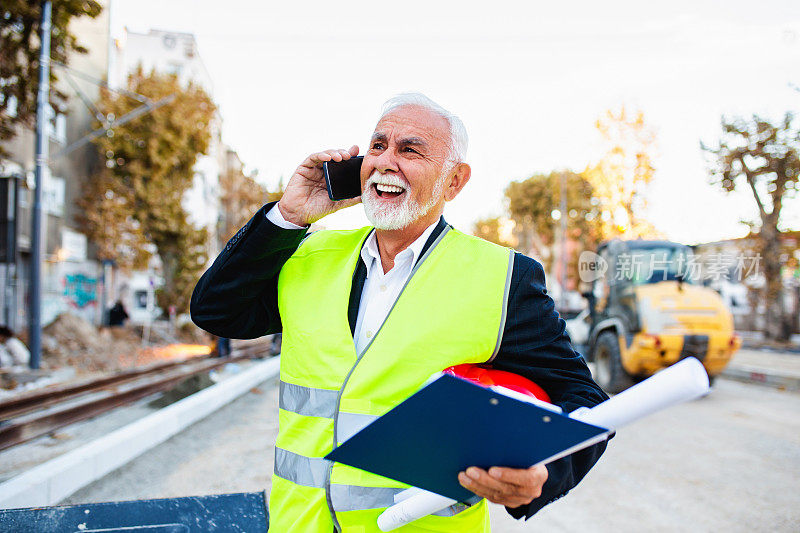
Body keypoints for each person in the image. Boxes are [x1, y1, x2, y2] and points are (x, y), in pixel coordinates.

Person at [191, 93, 610, 532]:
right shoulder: (310, 254)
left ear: (453, 182)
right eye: (377, 146)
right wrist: (288, 215)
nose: (385, 162)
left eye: (409, 149)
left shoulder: (502, 279)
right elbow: (216, 311)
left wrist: (542, 475)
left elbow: (583, 398)